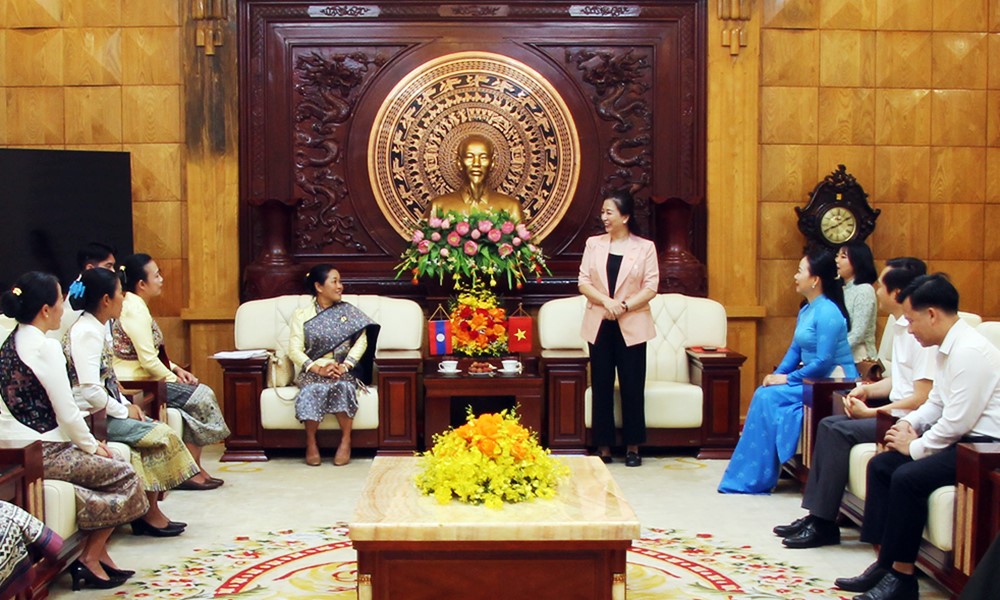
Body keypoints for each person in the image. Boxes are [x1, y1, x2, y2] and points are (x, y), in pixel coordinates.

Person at [836, 274, 1000, 600]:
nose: (909, 329)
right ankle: (885, 564)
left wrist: (915, 446)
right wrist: (908, 425)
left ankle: (903, 579)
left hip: (982, 446)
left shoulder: (970, 352)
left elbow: (957, 421)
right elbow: (936, 402)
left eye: (911, 320)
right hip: (960, 438)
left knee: (908, 477)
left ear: (933, 314)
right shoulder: (946, 348)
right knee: (883, 466)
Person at [0, 272, 147, 590]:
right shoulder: (45, 347)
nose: (63, 309)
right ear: (45, 310)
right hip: (46, 450)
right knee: (127, 475)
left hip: (21, 447)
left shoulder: (9, 342)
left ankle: (99, 554)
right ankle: (89, 558)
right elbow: (66, 411)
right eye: (59, 301)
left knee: (95, 488)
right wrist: (92, 445)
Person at [775, 257, 932, 549]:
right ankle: (816, 515)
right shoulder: (901, 328)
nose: (875, 291)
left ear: (897, 293)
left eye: (881, 286)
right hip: (892, 409)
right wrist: (866, 392)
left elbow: (922, 398)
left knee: (838, 430)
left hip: (906, 420)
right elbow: (899, 382)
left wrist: (871, 412)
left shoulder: (922, 334)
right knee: (828, 424)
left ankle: (823, 523)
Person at [65, 269, 205, 538]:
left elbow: (108, 379)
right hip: (93, 418)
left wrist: (126, 405)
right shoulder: (86, 332)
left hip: (107, 411)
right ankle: (149, 514)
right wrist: (123, 409)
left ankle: (147, 512)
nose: (124, 299)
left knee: (152, 435)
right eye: (120, 294)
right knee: (162, 435)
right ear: (106, 299)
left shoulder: (99, 326)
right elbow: (90, 390)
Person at [719, 249, 859, 494]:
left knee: (767, 397)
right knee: (764, 391)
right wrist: (776, 376)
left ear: (815, 279)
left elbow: (824, 361)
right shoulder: (807, 309)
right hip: (810, 379)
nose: (795, 276)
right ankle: (750, 475)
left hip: (831, 383)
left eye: (800, 271)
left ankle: (755, 478)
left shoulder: (828, 312)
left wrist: (787, 378)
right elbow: (795, 350)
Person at [111, 254, 230, 487]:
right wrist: (174, 378)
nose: (162, 280)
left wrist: (176, 370)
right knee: (202, 395)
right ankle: (190, 472)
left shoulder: (138, 305)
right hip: (138, 381)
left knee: (191, 407)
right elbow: (147, 361)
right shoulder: (133, 309)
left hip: (150, 376)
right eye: (156, 275)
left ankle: (191, 469)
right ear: (141, 284)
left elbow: (154, 354)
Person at [578, 190, 659, 467]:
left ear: (625, 216)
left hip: (631, 323)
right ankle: (604, 446)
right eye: (603, 212)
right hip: (600, 322)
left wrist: (622, 306)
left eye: (609, 212)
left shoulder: (645, 247)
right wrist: (607, 302)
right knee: (601, 384)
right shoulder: (593, 244)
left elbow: (651, 287)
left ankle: (633, 447)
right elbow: (583, 281)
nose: (604, 217)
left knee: (632, 385)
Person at [288, 264, 380, 466]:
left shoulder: (349, 312)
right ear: (319, 287)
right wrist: (317, 368)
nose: (340, 286)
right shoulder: (302, 315)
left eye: (340, 281)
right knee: (312, 390)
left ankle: (346, 441)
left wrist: (346, 366)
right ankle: (311, 442)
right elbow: (294, 349)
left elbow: (362, 341)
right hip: (314, 369)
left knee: (344, 387)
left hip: (343, 369)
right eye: (335, 281)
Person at [426, 134, 524, 221]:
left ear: (492, 163)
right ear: (459, 163)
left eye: (483, 157)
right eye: (469, 157)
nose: (476, 163)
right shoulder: (438, 206)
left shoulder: (511, 207)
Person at [56, 242, 118, 337]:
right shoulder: (77, 295)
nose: (113, 271)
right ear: (89, 268)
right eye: (108, 266)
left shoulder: (105, 288)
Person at [837, 242, 878, 362]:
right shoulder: (843, 289)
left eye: (843, 257)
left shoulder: (864, 290)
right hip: (843, 357)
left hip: (859, 359)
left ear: (857, 261)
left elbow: (857, 335)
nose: (837, 260)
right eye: (837, 256)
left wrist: (831, 353)